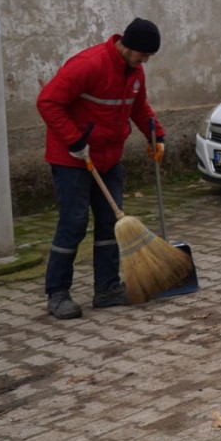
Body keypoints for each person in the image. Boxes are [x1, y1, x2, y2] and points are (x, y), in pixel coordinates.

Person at [37, 18, 165, 319]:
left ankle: (106, 289)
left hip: (108, 158)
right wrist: (73, 141)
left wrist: (156, 135)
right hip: (72, 158)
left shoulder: (134, 71)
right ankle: (57, 293)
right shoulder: (88, 64)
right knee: (74, 223)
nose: (146, 60)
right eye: (144, 54)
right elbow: (48, 102)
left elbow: (138, 106)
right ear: (129, 45)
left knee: (111, 222)